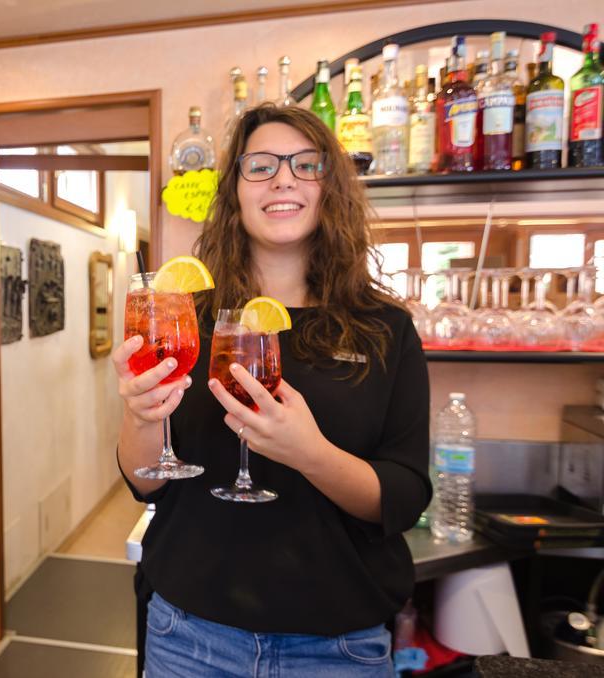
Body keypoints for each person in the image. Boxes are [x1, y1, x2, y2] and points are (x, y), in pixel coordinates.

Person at [112, 102, 431, 677]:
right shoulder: (186, 319)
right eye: (260, 165)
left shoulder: (386, 328)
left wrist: (311, 455)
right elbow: (147, 484)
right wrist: (139, 416)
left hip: (338, 648)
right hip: (189, 637)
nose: (282, 177)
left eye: (306, 164)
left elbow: (403, 498)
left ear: (330, 187)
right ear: (234, 190)